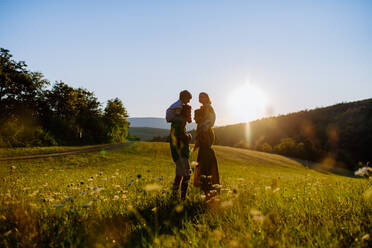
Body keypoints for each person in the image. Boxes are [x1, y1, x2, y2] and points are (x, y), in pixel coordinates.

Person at [166, 90, 192, 200]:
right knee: (186, 174)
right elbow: (181, 137)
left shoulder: (176, 124)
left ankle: (175, 196)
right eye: (188, 99)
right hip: (181, 153)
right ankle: (181, 197)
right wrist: (188, 137)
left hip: (178, 152)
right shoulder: (179, 122)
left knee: (179, 174)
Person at [193, 92, 220, 198]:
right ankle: (205, 185)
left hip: (206, 133)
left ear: (207, 98)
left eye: (203, 96)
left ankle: (208, 184)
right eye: (199, 96)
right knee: (202, 156)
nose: (201, 98)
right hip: (202, 133)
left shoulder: (209, 107)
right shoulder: (202, 108)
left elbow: (212, 120)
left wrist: (203, 126)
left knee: (205, 155)